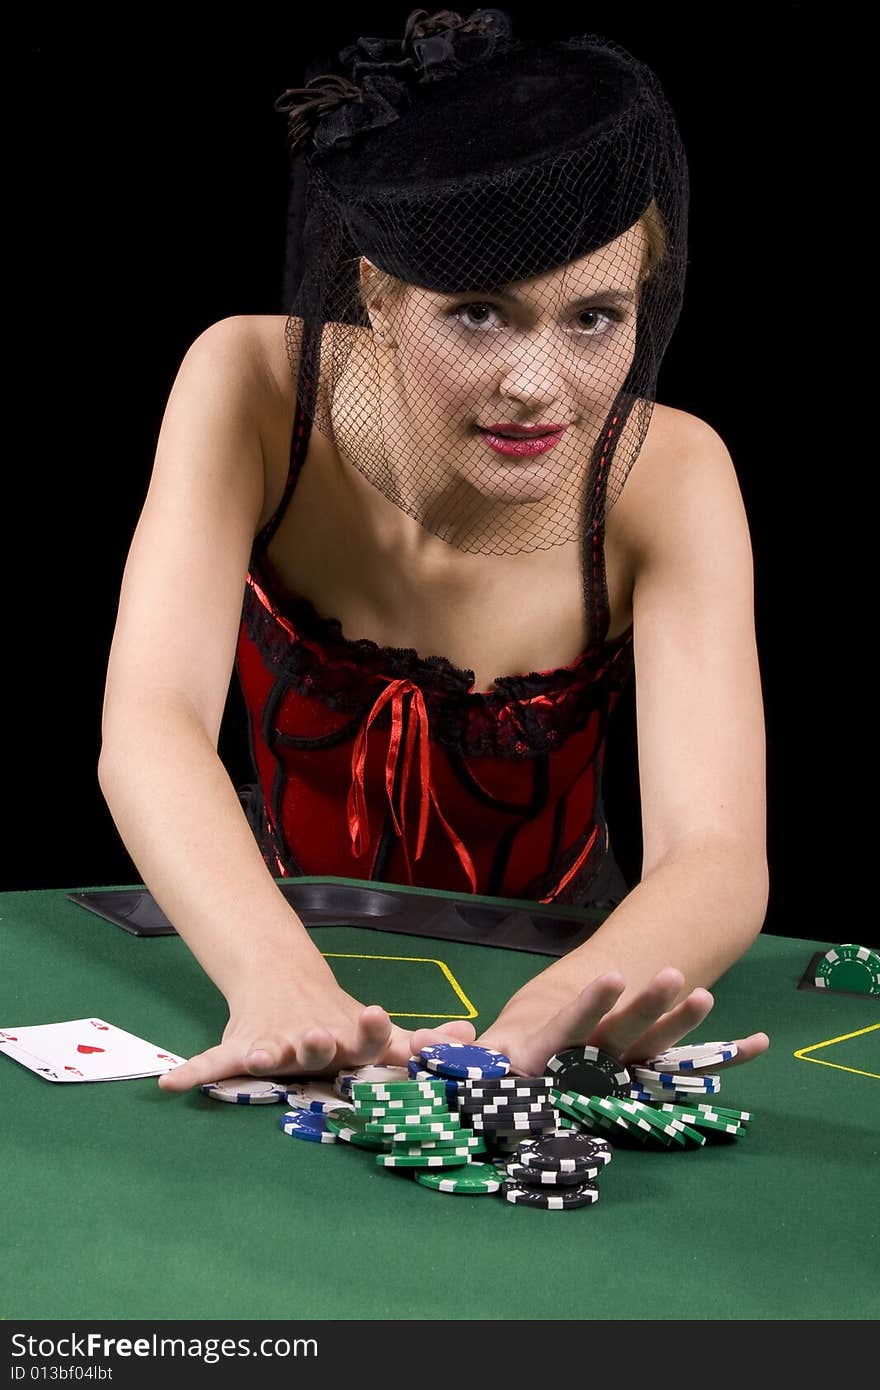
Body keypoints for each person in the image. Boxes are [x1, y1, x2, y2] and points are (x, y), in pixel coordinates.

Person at [97, 9, 770, 1092]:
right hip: (261, 924)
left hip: (559, 960)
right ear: (377, 292)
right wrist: (273, 977)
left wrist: (569, 997)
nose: (537, 386)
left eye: (593, 318)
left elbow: (719, 850)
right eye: (477, 315)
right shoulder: (254, 390)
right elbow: (149, 724)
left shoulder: (673, 475)